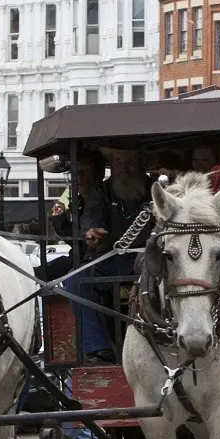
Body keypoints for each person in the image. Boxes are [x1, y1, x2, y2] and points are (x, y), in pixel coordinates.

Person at [71, 150, 150, 364]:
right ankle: (98, 348)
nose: (123, 168)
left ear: (141, 163)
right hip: (111, 260)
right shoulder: (102, 191)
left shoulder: (155, 191)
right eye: (118, 162)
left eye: (129, 161)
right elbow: (91, 216)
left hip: (146, 262)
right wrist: (90, 231)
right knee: (75, 280)